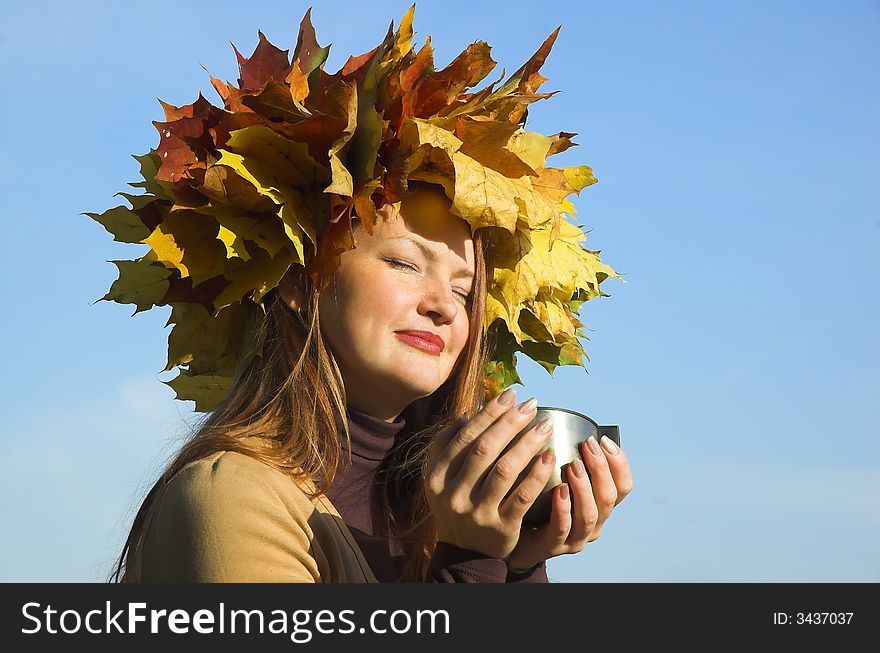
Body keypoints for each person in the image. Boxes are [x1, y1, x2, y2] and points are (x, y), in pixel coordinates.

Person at [93, 7, 632, 583]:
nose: (444, 305)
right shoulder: (233, 495)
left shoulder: (439, 524)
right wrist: (471, 564)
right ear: (303, 284)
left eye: (465, 290)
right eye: (404, 263)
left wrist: (517, 563)